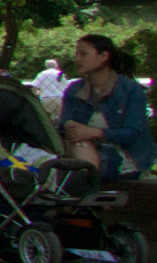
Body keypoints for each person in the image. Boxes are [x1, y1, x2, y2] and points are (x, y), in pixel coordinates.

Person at [58, 34, 151, 182]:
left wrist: (94, 133)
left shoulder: (130, 90)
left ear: (104, 56)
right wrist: (70, 126)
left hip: (126, 155)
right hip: (85, 147)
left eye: (83, 54)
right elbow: (65, 121)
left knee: (80, 160)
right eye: (76, 54)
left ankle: (87, 189)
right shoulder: (74, 89)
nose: (77, 59)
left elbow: (133, 132)